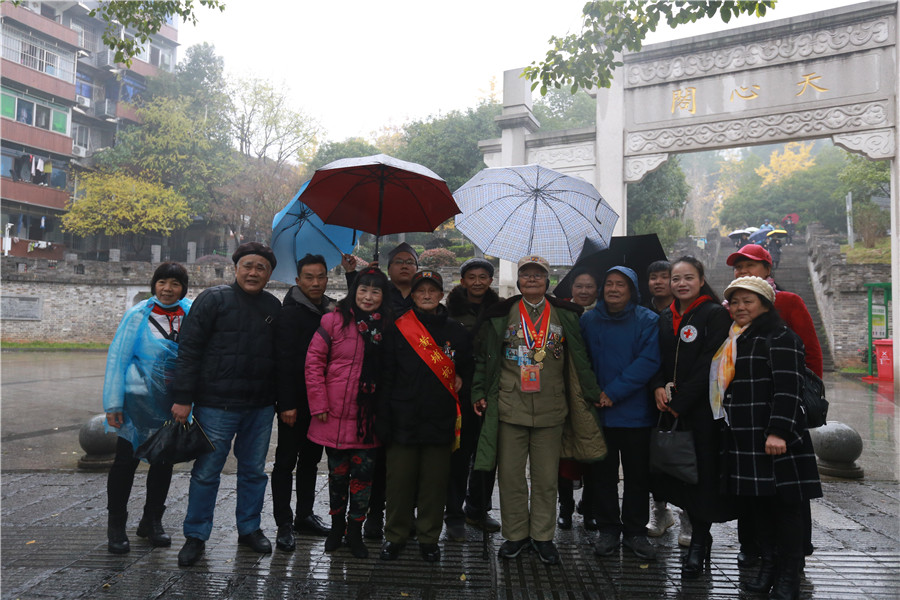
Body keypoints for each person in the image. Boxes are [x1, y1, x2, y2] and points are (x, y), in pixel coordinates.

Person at [472, 255, 606, 566]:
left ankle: (543, 537)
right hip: (510, 406)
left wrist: (592, 392)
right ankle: (516, 534)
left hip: (551, 407)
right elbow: (485, 359)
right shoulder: (501, 314)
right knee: (510, 477)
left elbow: (580, 358)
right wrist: (478, 391)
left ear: (548, 280)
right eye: (526, 274)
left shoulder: (565, 314)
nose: (532, 279)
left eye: (538, 274)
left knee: (546, 478)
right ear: (518, 281)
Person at [172, 242, 281, 567]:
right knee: (207, 472)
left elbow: (282, 356)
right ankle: (196, 534)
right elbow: (189, 349)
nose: (253, 272)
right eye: (248, 266)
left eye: (261, 268)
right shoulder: (213, 300)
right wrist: (183, 398)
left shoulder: (273, 307)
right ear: (236, 268)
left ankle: (249, 528)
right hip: (216, 405)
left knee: (253, 471)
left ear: (269, 275)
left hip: (260, 406)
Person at [713, 277, 822, 599]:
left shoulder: (780, 337)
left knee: (786, 510)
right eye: (735, 302)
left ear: (765, 304)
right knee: (759, 508)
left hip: (776, 439)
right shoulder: (736, 339)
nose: (740, 307)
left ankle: (789, 576)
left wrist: (778, 431)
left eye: (748, 301)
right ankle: (768, 568)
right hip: (745, 439)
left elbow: (788, 389)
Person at [378, 270, 473, 562]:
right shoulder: (398, 328)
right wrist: (384, 417)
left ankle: (429, 538)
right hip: (403, 417)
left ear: (442, 294)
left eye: (433, 290)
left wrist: (461, 378)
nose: (427, 295)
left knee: (434, 484)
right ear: (413, 294)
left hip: (440, 418)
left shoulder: (456, 331)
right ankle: (395, 535)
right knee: (399, 483)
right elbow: (386, 375)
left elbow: (468, 368)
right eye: (421, 291)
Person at [650, 256, 732, 579]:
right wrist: (658, 386)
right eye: (676, 278)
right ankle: (673, 520)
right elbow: (656, 357)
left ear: (700, 280)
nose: (681, 284)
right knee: (674, 472)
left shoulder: (714, 314)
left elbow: (711, 363)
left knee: (701, 476)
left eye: (688, 278)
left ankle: (699, 542)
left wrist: (682, 401)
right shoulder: (664, 317)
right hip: (668, 408)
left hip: (701, 411)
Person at [103, 262, 192, 554]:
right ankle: (116, 525)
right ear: (154, 285)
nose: (167, 289)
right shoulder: (138, 315)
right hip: (137, 401)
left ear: (183, 288)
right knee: (125, 462)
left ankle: (151, 521)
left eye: (175, 284)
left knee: (163, 461)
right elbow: (118, 358)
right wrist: (113, 403)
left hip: (172, 402)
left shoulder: (191, 314)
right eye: (162, 282)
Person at [306, 266, 390, 559]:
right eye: (363, 290)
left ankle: (355, 531)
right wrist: (319, 404)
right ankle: (336, 527)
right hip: (334, 413)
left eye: (375, 291)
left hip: (368, 418)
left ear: (384, 296)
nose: (368, 297)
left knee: (363, 480)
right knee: (337, 476)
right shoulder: (333, 320)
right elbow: (314, 362)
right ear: (354, 291)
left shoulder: (388, 327)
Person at [581, 267, 661, 560]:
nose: (613, 289)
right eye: (609, 284)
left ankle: (636, 531)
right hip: (599, 411)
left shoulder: (648, 319)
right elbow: (582, 359)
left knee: (637, 476)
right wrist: (593, 392)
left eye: (621, 285)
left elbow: (648, 361)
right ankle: (608, 529)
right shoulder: (589, 320)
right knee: (602, 475)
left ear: (632, 291)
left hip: (635, 412)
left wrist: (613, 392)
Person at [345, 242, 419, 539]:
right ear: (389, 267)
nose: (404, 265)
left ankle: (405, 514)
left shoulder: (423, 296)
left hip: (411, 389)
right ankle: (374, 514)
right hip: (379, 387)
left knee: (408, 458)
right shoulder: (382, 296)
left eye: (410, 261)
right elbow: (357, 306)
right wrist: (356, 275)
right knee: (377, 457)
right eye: (398, 261)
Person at [270, 254, 335, 553]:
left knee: (311, 460)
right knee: (286, 461)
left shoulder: (331, 311)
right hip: (294, 403)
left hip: (321, 403)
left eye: (320, 276)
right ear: (298, 281)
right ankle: (283, 522)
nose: (315, 282)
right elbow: (282, 362)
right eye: (309, 277)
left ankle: (305, 515)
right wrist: (286, 403)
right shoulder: (289, 314)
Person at [445, 257, 502, 539]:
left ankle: (478, 508)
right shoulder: (450, 311)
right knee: (459, 453)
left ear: (490, 280)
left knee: (486, 453)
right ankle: (454, 512)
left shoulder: (500, 310)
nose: (477, 282)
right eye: (472, 277)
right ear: (463, 280)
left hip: (491, 390)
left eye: (483, 277)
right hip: (460, 390)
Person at [642, 260, 684, 544]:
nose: (658, 282)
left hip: (683, 394)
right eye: (652, 277)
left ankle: (688, 515)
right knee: (653, 457)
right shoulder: (642, 311)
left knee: (683, 454)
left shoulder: (688, 312)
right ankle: (660, 510)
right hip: (649, 392)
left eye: (664, 277)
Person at [557, 268, 600, 532]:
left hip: (596, 394)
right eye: (579, 286)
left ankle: (590, 506)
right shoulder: (560, 312)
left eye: (590, 286)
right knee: (564, 454)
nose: (584, 291)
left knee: (593, 454)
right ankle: (565, 506)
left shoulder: (605, 314)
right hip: (564, 392)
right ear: (571, 288)